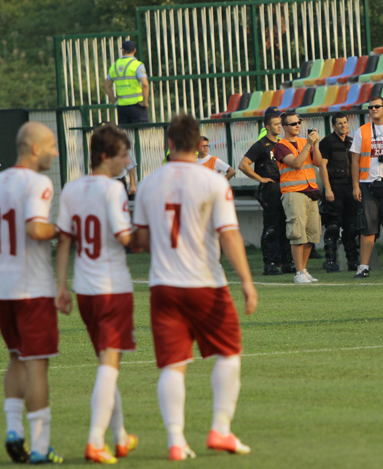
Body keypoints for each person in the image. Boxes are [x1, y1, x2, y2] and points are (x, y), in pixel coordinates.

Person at [133, 114, 257, 460]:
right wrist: (247, 282)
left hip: (163, 286)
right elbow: (229, 234)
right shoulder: (213, 182)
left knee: (173, 364)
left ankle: (175, 440)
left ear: (168, 144)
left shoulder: (149, 182)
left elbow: (140, 240)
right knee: (229, 353)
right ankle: (220, 428)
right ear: (198, 142)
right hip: (206, 283)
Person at [54, 125, 138, 464]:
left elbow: (64, 240)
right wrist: (151, 233)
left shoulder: (72, 188)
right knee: (110, 365)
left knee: (107, 362)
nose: (127, 161)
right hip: (112, 286)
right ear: (105, 156)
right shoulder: (113, 189)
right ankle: (94, 440)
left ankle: (119, 437)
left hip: (84, 288)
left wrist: (61, 286)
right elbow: (124, 238)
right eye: (123, 155)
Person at [0, 122, 62, 464]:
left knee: (16, 356)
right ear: (35, 149)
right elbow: (35, 228)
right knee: (36, 364)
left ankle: (14, 430)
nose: (55, 153)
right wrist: (64, 227)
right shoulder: (38, 182)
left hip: (0, 285)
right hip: (31, 286)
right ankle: (42, 447)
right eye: (52, 146)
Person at [350, 97, 383, 278]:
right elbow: (355, 159)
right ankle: (363, 267)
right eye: (370, 107)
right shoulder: (362, 131)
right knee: (367, 228)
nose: (373, 109)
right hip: (367, 184)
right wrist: (355, 185)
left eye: (377, 106)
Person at [239, 113, 294, 275]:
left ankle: (287, 262)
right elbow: (243, 165)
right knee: (271, 227)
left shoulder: (283, 144)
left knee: (286, 226)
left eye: (280, 124)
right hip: (271, 188)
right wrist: (261, 179)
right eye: (276, 124)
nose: (279, 126)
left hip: (286, 186)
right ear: (267, 127)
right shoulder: (261, 145)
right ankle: (269, 264)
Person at [272, 111, 323, 284]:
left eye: (299, 122)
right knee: (297, 234)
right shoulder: (281, 145)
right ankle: (298, 271)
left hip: (310, 192)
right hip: (294, 193)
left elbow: (317, 162)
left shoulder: (304, 142)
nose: (297, 126)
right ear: (284, 127)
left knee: (310, 234)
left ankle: (304, 269)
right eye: (293, 124)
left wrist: (314, 145)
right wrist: (308, 144)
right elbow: (296, 163)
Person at [319, 113, 360, 273]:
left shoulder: (352, 142)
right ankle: (330, 261)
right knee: (333, 226)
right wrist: (327, 189)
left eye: (345, 122)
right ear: (333, 126)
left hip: (350, 188)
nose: (343, 125)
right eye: (339, 123)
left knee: (351, 227)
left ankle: (353, 261)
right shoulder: (327, 142)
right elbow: (322, 167)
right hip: (334, 188)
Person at [103, 40, 149, 124]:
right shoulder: (137, 65)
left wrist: (115, 101)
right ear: (135, 50)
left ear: (123, 50)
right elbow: (145, 84)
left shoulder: (115, 66)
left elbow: (106, 85)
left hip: (122, 107)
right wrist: (145, 102)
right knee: (142, 133)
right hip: (137, 105)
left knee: (125, 134)